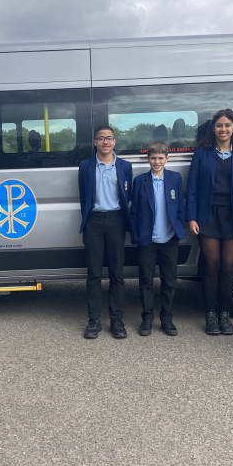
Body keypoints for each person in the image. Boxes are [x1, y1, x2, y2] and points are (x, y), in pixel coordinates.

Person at [185, 109, 233, 335]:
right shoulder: (202, 153)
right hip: (208, 216)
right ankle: (210, 315)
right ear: (213, 129)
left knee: (228, 267)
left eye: (227, 125)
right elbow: (193, 188)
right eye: (219, 125)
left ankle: (225, 314)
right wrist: (192, 217)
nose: (223, 129)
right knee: (211, 266)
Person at [78, 125, 133, 339]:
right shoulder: (85, 166)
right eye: (101, 138)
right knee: (93, 273)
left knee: (117, 274)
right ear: (94, 142)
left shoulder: (125, 167)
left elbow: (127, 195)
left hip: (117, 219)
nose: (105, 142)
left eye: (109, 138)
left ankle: (117, 320)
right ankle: (94, 320)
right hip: (94, 221)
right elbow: (84, 196)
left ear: (115, 141)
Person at [130, 141, 186, 336]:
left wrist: (178, 227)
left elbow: (179, 206)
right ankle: (147, 319)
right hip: (148, 240)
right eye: (153, 158)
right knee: (146, 281)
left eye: (161, 158)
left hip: (169, 239)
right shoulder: (140, 181)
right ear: (148, 159)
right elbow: (135, 211)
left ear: (167, 158)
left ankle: (167, 319)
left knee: (169, 281)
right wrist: (137, 235)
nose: (157, 161)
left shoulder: (175, 178)